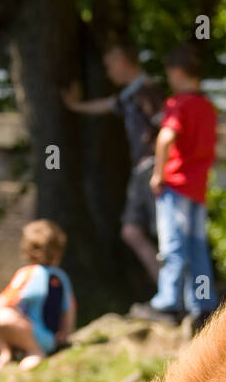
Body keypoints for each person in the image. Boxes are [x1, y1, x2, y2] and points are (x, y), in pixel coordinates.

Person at [129, 44, 218, 329]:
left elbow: (166, 137)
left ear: (178, 73)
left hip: (175, 186)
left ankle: (168, 303)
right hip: (197, 188)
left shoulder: (178, 104)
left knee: (172, 246)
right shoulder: (207, 107)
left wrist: (158, 175)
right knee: (197, 247)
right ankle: (203, 304)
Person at [61, 43, 167, 280]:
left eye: (109, 65)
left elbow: (166, 130)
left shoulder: (148, 92)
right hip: (140, 171)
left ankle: (175, 298)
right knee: (131, 231)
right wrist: (75, 106)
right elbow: (107, 104)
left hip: (153, 168)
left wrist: (161, 169)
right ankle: (165, 288)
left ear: (121, 61)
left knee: (164, 233)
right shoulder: (129, 95)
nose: (108, 72)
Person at [0, 219, 76, 372]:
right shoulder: (62, 277)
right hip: (51, 339)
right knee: (12, 311)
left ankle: (33, 351)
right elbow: (69, 308)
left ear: (27, 249)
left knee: (2, 314)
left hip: (36, 337)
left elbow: (6, 299)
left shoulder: (27, 274)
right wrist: (65, 334)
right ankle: (10, 353)